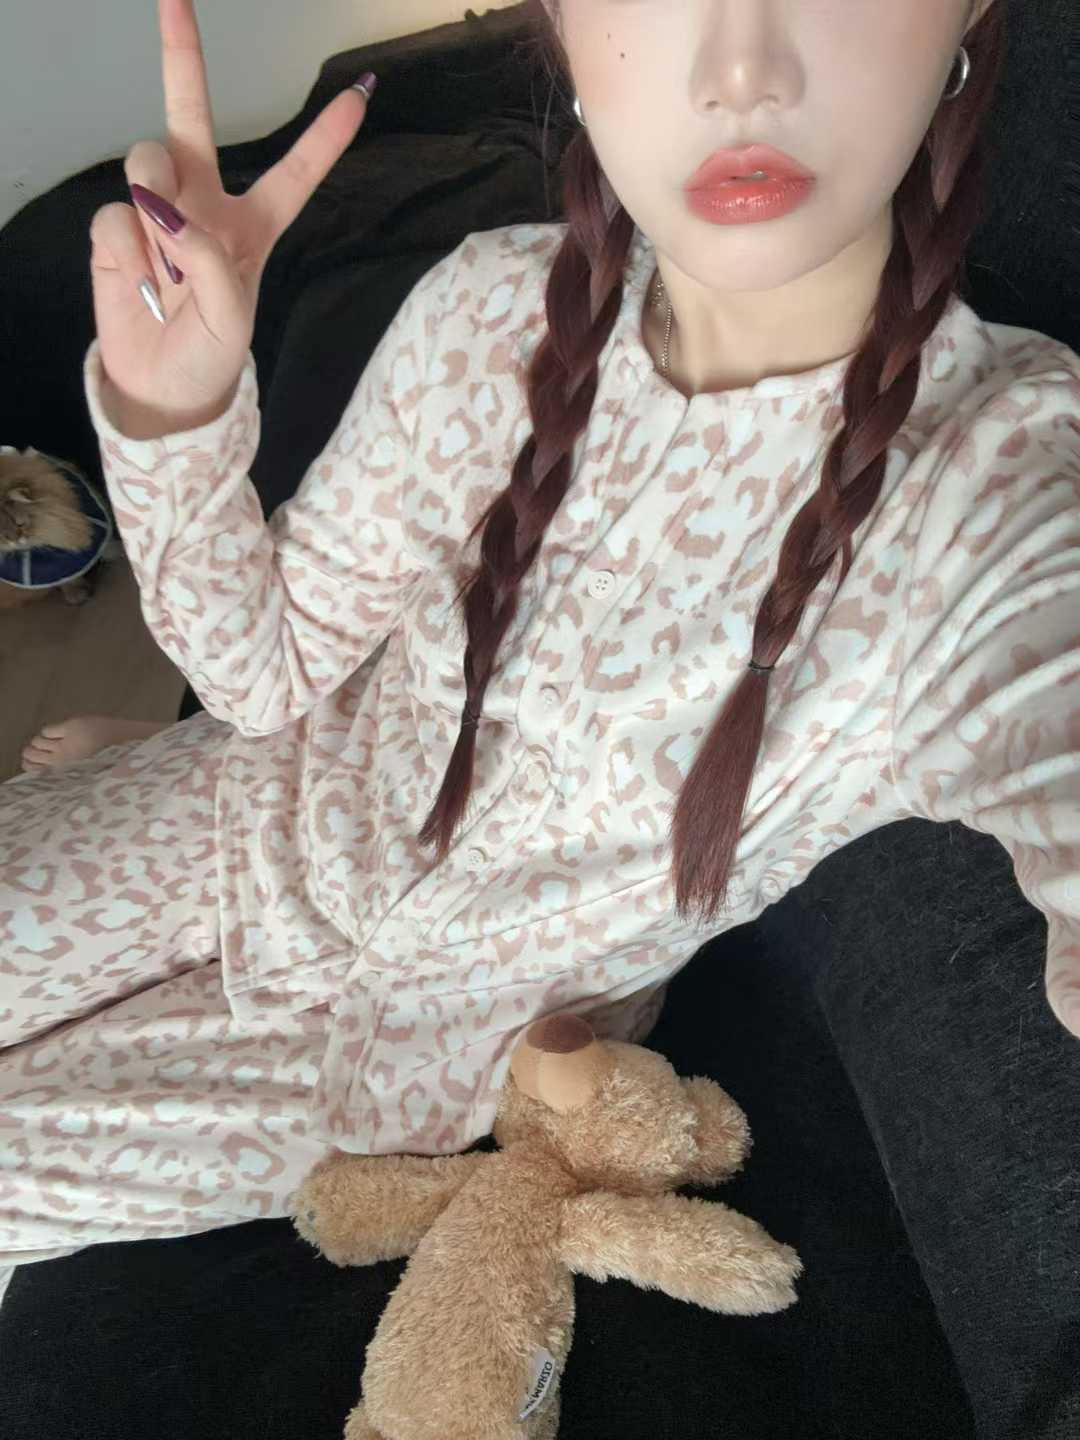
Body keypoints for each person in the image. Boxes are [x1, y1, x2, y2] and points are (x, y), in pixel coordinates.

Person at [1, 0, 1076, 1377]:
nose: (742, 69)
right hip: (227, 813)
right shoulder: (487, 314)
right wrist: (179, 416)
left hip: (395, 1060)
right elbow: (263, 678)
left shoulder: (992, 493)